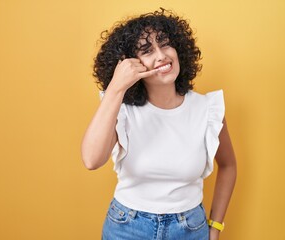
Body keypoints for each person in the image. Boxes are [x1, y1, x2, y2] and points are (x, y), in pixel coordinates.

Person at [81, 8, 236, 240]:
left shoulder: (207, 109)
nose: (161, 55)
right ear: (132, 64)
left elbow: (229, 166)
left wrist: (215, 227)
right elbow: (91, 160)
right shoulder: (120, 109)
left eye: (165, 44)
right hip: (127, 228)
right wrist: (116, 87)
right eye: (147, 50)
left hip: (190, 229)